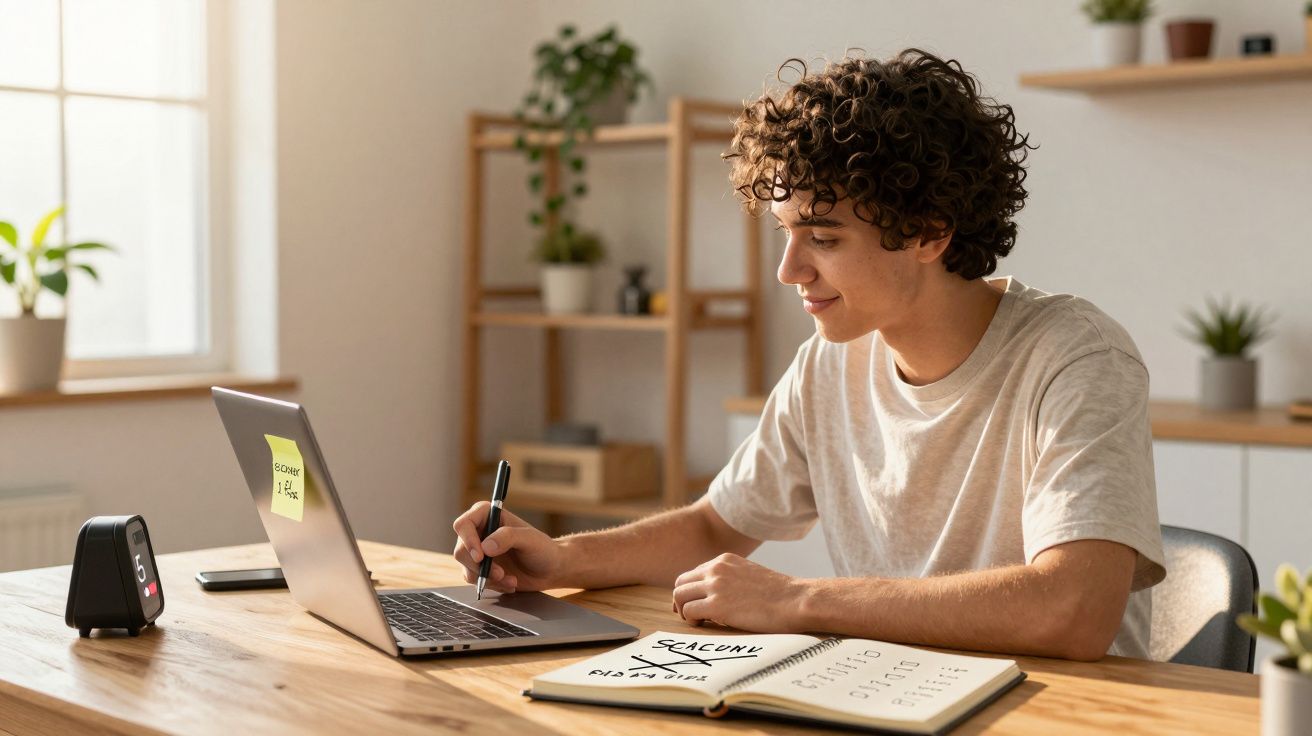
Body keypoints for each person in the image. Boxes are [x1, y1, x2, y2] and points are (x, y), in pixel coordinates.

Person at [453, 48, 1165, 661]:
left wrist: (798, 600)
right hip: (891, 699)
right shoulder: (832, 362)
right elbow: (713, 524)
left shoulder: (1076, 359)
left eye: (822, 239)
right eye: (786, 234)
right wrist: (561, 558)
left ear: (928, 233)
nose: (788, 271)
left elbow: (1073, 609)